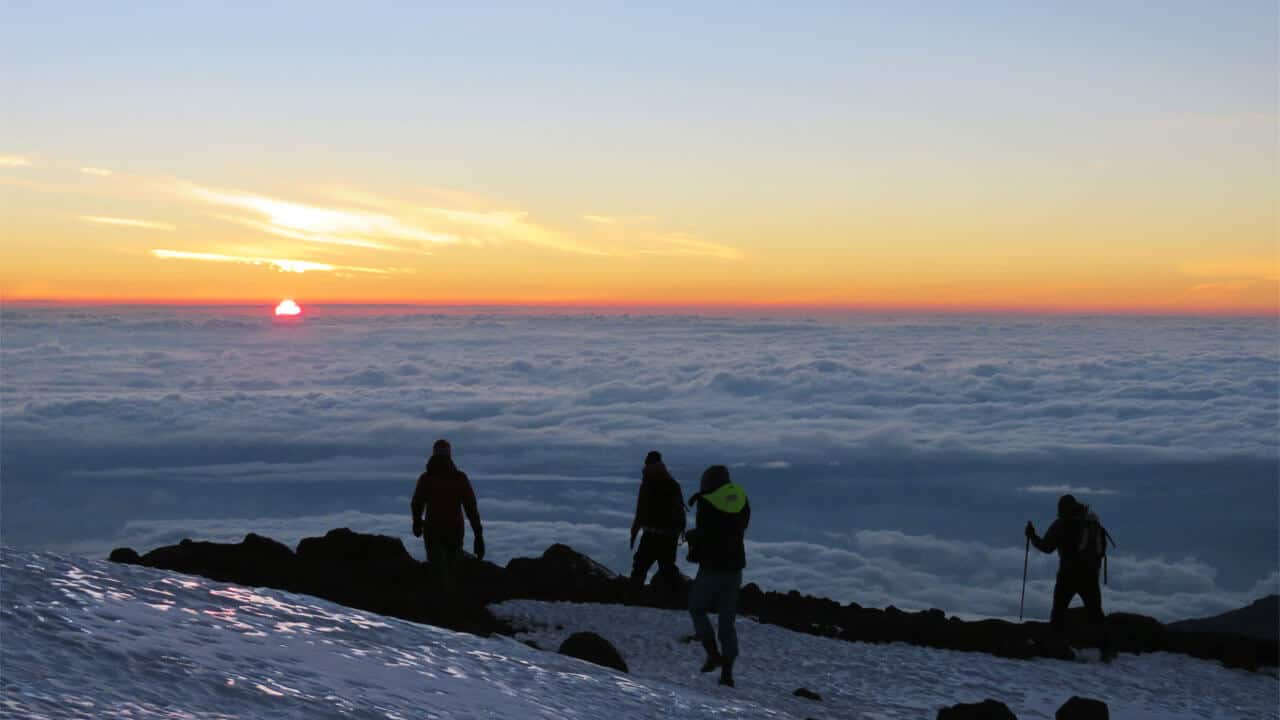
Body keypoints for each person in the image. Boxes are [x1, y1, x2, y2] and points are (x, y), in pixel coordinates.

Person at [1025, 493, 1114, 662]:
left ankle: (1057, 647)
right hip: (1090, 576)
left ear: (1062, 508)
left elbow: (1047, 547)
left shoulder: (1062, 524)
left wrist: (1032, 536)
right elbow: (1101, 551)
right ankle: (1107, 650)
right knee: (1096, 613)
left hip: (1068, 576)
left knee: (1058, 612)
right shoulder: (1091, 523)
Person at [685, 465, 750, 687]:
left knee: (697, 608)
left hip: (712, 567)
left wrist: (692, 536)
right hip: (735, 568)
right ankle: (727, 673)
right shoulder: (740, 498)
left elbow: (707, 533)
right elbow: (739, 528)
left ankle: (713, 654)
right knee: (727, 621)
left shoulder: (707, 502)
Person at [411, 439, 484, 590]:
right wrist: (478, 535)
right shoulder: (459, 478)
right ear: (450, 455)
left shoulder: (426, 478)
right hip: (454, 531)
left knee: (438, 572)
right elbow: (471, 508)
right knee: (452, 571)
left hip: (433, 531)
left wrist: (417, 522)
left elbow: (417, 504)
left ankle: (440, 597)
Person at [628, 451, 686, 600]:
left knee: (640, 566)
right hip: (670, 535)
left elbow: (641, 511)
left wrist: (634, 533)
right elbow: (680, 510)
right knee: (667, 567)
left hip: (651, 534)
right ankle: (675, 598)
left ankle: (632, 597)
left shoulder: (648, 482)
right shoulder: (672, 483)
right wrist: (680, 531)